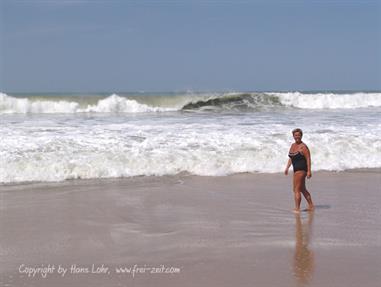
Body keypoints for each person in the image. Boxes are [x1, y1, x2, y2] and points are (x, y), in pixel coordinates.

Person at [285, 128, 314, 213]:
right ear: (293, 136)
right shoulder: (293, 145)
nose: (297, 136)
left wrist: (309, 171)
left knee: (296, 189)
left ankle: (297, 208)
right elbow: (291, 158)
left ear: (301, 136)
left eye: (298, 135)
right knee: (302, 189)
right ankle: (311, 205)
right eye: (295, 135)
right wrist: (287, 167)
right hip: (295, 169)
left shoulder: (303, 147)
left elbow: (308, 159)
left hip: (302, 169)